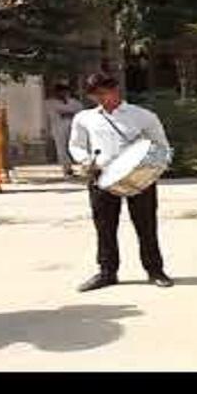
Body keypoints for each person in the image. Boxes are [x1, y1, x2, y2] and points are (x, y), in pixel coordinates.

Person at [68, 73, 174, 291]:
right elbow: (76, 145)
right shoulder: (84, 118)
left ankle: (155, 270)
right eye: (94, 95)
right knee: (104, 227)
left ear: (115, 90)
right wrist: (86, 161)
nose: (99, 99)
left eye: (103, 93)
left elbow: (161, 146)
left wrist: (154, 167)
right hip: (101, 177)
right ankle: (107, 272)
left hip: (139, 177)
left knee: (146, 225)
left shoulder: (142, 116)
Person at [44, 83, 84, 177]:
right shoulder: (50, 103)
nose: (63, 94)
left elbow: (80, 112)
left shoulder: (74, 102)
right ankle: (67, 169)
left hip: (74, 128)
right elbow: (54, 114)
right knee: (61, 149)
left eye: (65, 92)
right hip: (58, 128)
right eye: (61, 92)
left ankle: (83, 166)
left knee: (76, 146)